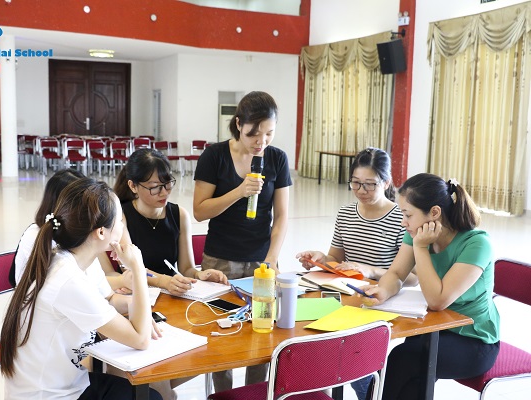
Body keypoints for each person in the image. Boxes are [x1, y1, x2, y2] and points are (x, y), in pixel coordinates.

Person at [0, 178, 162, 400]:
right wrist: (138, 267)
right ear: (101, 232)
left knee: (146, 392)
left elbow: (108, 301)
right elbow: (140, 340)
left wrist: (138, 311)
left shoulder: (69, 258)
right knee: (151, 397)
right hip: (50, 396)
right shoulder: (67, 280)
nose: (123, 226)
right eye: (119, 220)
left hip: (66, 383)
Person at [360, 173, 500, 400]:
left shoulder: (477, 244)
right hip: (435, 329)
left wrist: (421, 248)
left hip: (475, 340)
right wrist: (383, 290)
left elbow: (437, 300)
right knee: (407, 371)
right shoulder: (417, 232)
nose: (403, 222)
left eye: (408, 215)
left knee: (403, 359)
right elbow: (396, 273)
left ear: (434, 213)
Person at [296, 147, 417, 400]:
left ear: (386, 182)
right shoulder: (346, 213)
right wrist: (320, 259)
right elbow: (335, 259)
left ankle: (372, 394)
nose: (361, 190)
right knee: (306, 334)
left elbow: (413, 277)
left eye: (370, 184)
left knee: (352, 358)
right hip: (345, 297)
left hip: (378, 300)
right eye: (356, 183)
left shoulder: (401, 218)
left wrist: (370, 270)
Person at [193, 91, 292, 392]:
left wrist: (271, 259)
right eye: (253, 134)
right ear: (238, 124)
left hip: (262, 261)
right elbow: (199, 211)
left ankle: (254, 394)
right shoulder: (214, 156)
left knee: (261, 331)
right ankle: (222, 395)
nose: (261, 141)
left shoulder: (277, 158)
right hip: (220, 260)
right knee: (220, 334)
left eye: (269, 133)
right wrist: (239, 191)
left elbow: (282, 216)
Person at [110, 148, 228, 400]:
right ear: (132, 185)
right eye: (155, 187)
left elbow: (186, 268)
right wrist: (165, 281)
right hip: (139, 302)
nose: (164, 193)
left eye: (167, 184)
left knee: (210, 347)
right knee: (156, 368)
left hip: (173, 304)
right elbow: (129, 269)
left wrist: (200, 275)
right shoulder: (122, 217)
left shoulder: (178, 214)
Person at [9, 169, 133, 294]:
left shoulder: (83, 235)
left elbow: (97, 278)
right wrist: (123, 279)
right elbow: (73, 285)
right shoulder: (38, 236)